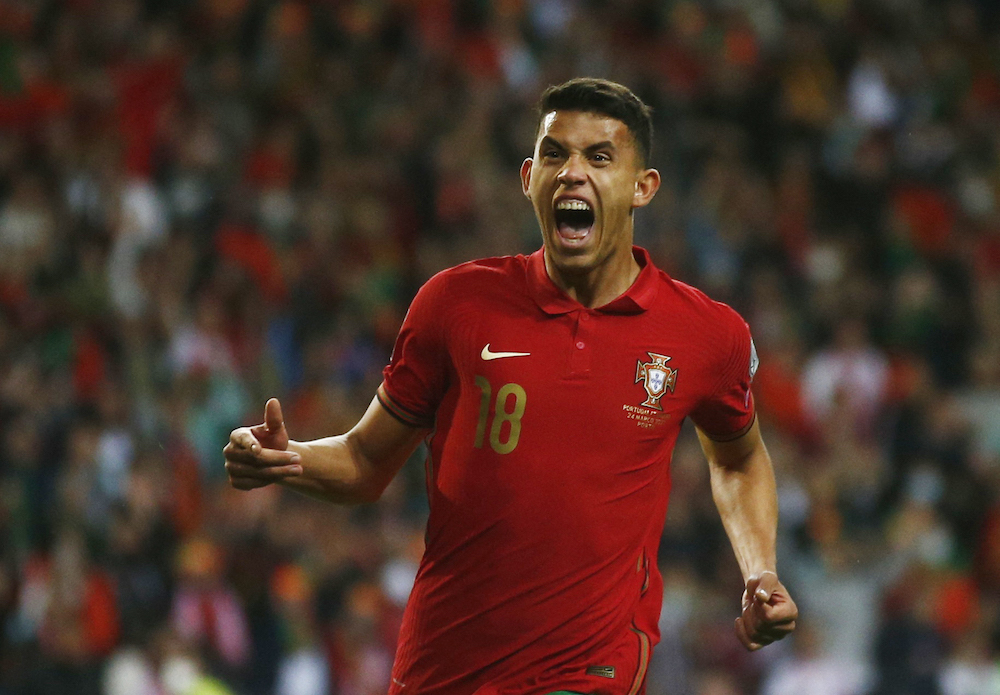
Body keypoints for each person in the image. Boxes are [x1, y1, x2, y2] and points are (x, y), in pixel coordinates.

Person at [223, 78, 798, 695]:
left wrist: (759, 569)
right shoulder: (456, 304)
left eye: (599, 157)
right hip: (444, 663)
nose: (572, 172)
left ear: (642, 187)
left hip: (589, 666)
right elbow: (366, 461)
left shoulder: (706, 334)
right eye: (555, 154)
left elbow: (738, 459)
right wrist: (289, 459)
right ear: (529, 178)